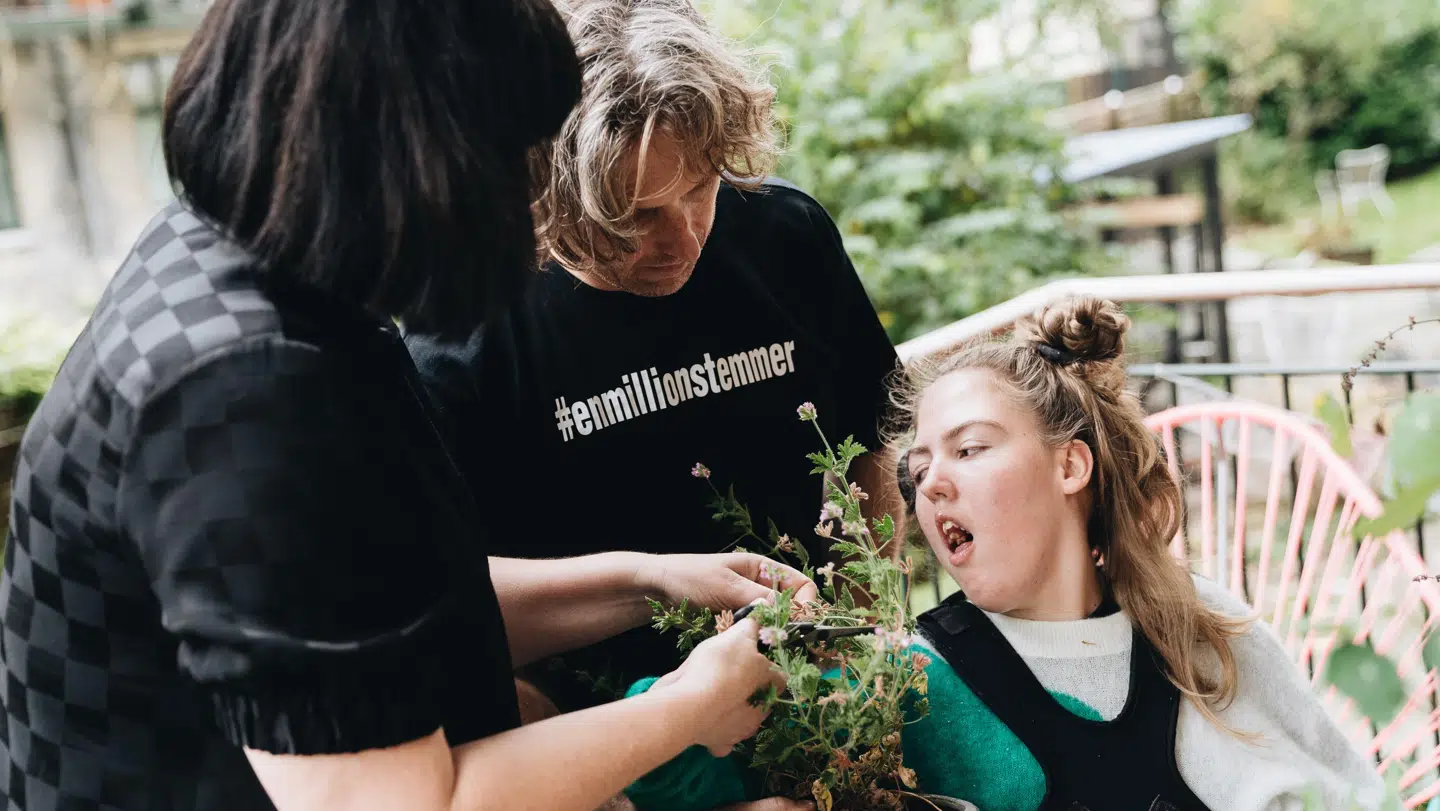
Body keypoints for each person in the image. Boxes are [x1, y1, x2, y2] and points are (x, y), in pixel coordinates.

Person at [0, 2, 813, 810]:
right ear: (419, 155)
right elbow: (395, 802)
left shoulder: (248, 257)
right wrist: (686, 711)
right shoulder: (246, 393)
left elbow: (363, 613)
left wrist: (650, 582)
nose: (533, 198)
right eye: (517, 155)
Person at [621, 296, 1386, 811]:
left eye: (971, 448)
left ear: (1069, 466)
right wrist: (718, 676)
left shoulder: (1206, 626)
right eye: (919, 471)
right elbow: (652, 765)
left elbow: (1353, 793)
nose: (933, 484)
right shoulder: (914, 681)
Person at [406, 0, 905, 722]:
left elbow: (871, 445)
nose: (684, 240)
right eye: (636, 216)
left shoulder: (787, 235)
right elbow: (441, 600)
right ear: (547, 191)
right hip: (614, 740)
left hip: (821, 700)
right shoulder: (461, 333)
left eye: (700, 189)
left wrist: (870, 650)